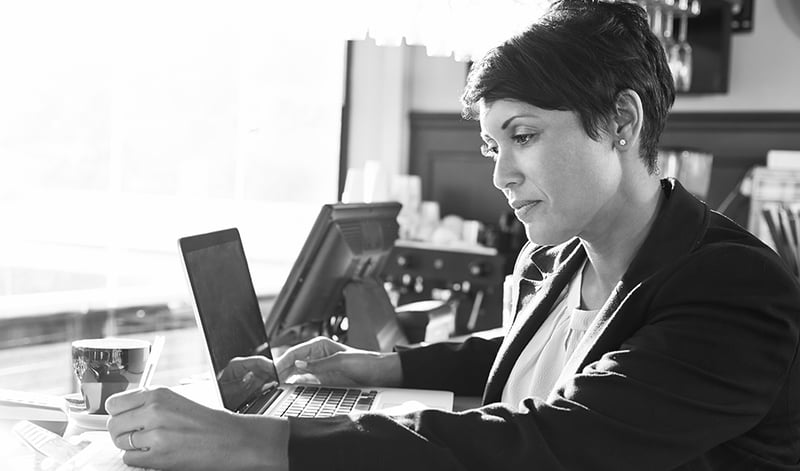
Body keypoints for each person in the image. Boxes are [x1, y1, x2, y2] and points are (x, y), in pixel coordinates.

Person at [105, 0, 800, 469]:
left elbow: (557, 438)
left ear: (622, 121)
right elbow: (538, 350)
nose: (502, 174)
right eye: (491, 146)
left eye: (523, 136)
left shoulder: (732, 290)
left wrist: (265, 441)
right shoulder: (552, 261)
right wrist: (383, 366)